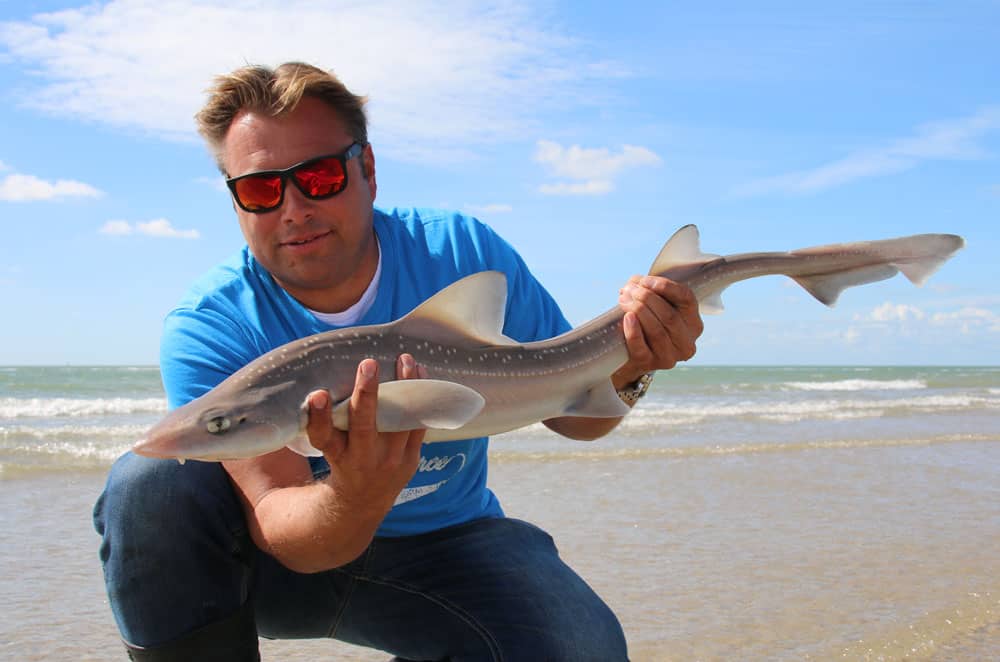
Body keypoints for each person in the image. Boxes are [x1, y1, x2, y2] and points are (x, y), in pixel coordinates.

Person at [94, 61, 703, 661]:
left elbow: (578, 418)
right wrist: (357, 492)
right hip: (279, 564)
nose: (294, 209)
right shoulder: (211, 324)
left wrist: (633, 365)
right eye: (260, 189)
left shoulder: (459, 252)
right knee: (150, 483)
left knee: (580, 647)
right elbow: (288, 531)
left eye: (321, 176)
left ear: (368, 169)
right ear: (236, 203)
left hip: (448, 545)